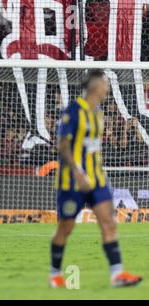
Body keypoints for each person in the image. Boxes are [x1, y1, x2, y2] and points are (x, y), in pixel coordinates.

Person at [50, 69, 143, 288]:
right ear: (94, 86)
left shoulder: (98, 113)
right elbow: (63, 146)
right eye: (105, 83)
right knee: (66, 228)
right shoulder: (73, 111)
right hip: (72, 181)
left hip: (97, 179)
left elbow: (92, 149)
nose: (107, 87)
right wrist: (78, 173)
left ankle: (117, 274)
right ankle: (55, 273)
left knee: (109, 222)